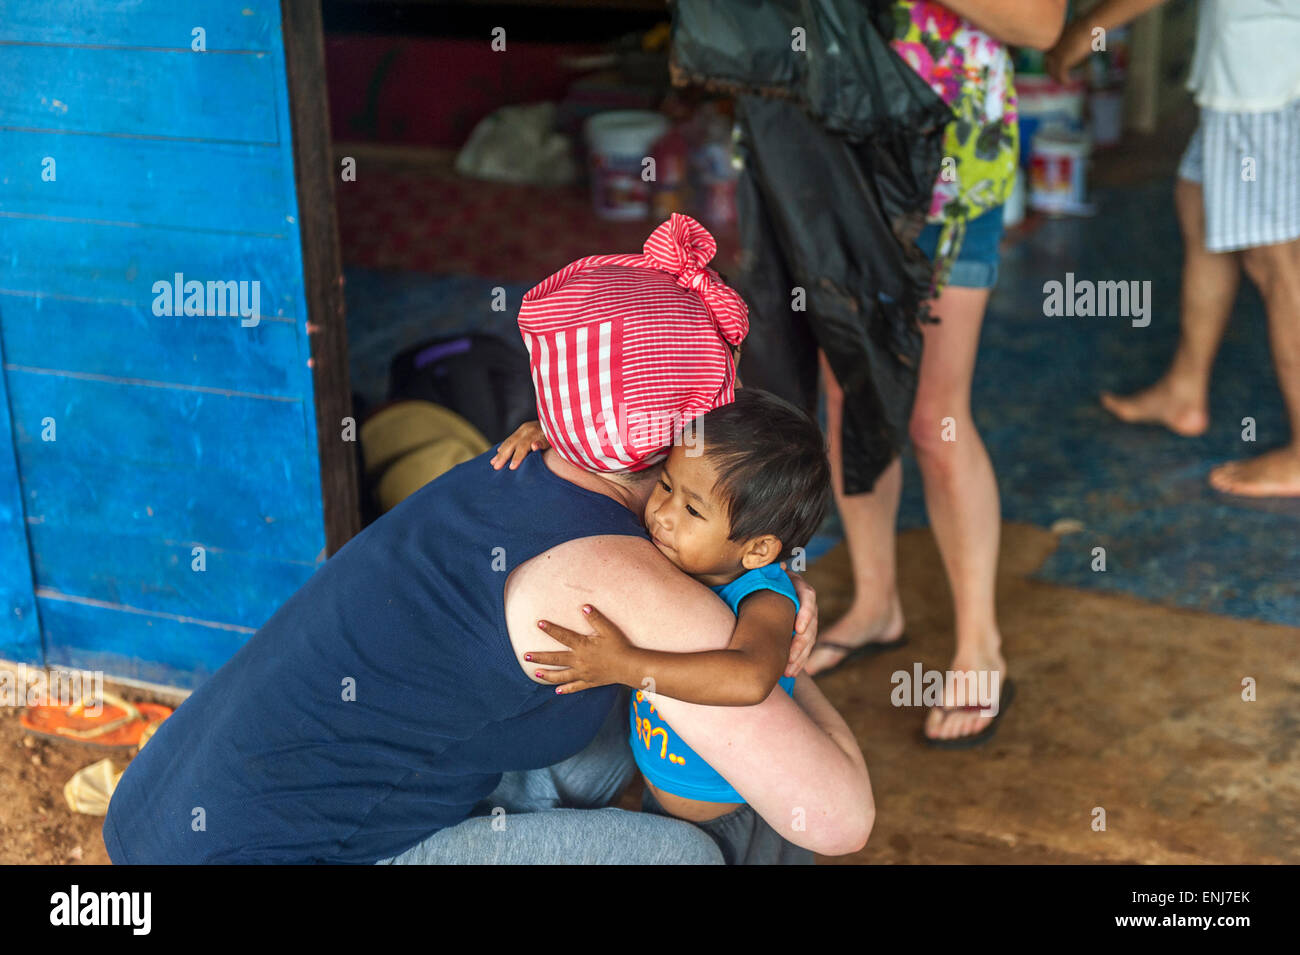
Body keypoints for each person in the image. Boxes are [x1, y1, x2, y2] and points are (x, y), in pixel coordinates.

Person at [102, 214, 873, 864]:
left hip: (158, 822)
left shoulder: (508, 463)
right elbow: (836, 819)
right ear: (669, 438)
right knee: (689, 856)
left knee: (605, 723)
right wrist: (783, 656)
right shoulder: (620, 570)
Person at [805, 1, 1064, 752]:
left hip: (951, 156)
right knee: (850, 395)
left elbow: (1042, 24)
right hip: (831, 151)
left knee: (934, 419)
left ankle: (980, 643)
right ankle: (877, 602)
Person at [491, 387, 833, 863]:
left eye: (693, 510)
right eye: (667, 485)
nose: (663, 514)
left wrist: (624, 665)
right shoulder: (681, 555)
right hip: (666, 799)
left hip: (744, 816)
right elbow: (614, 462)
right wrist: (554, 438)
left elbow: (751, 677)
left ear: (757, 551)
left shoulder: (764, 598)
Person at [1048, 0, 1300, 498]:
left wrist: (1087, 29)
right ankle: (1184, 389)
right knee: (1199, 203)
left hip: (1262, 71)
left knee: (1276, 261)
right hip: (1255, 58)